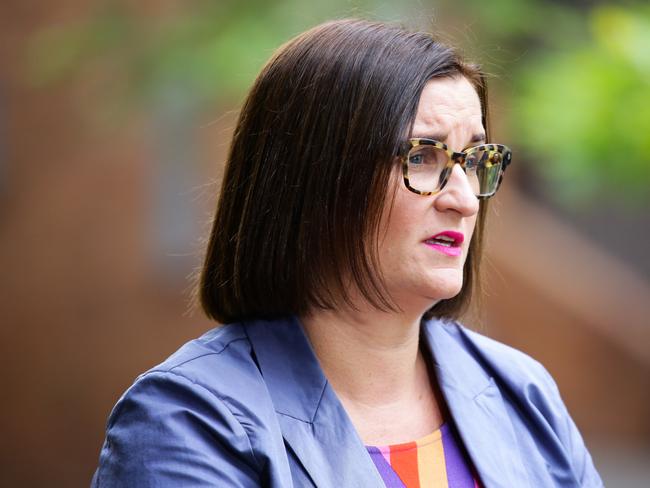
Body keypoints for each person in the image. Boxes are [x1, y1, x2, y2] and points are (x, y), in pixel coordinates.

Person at [91, 19, 603, 487]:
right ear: (315, 183)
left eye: (473, 159)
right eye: (422, 156)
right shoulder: (188, 422)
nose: (465, 200)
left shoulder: (522, 393)